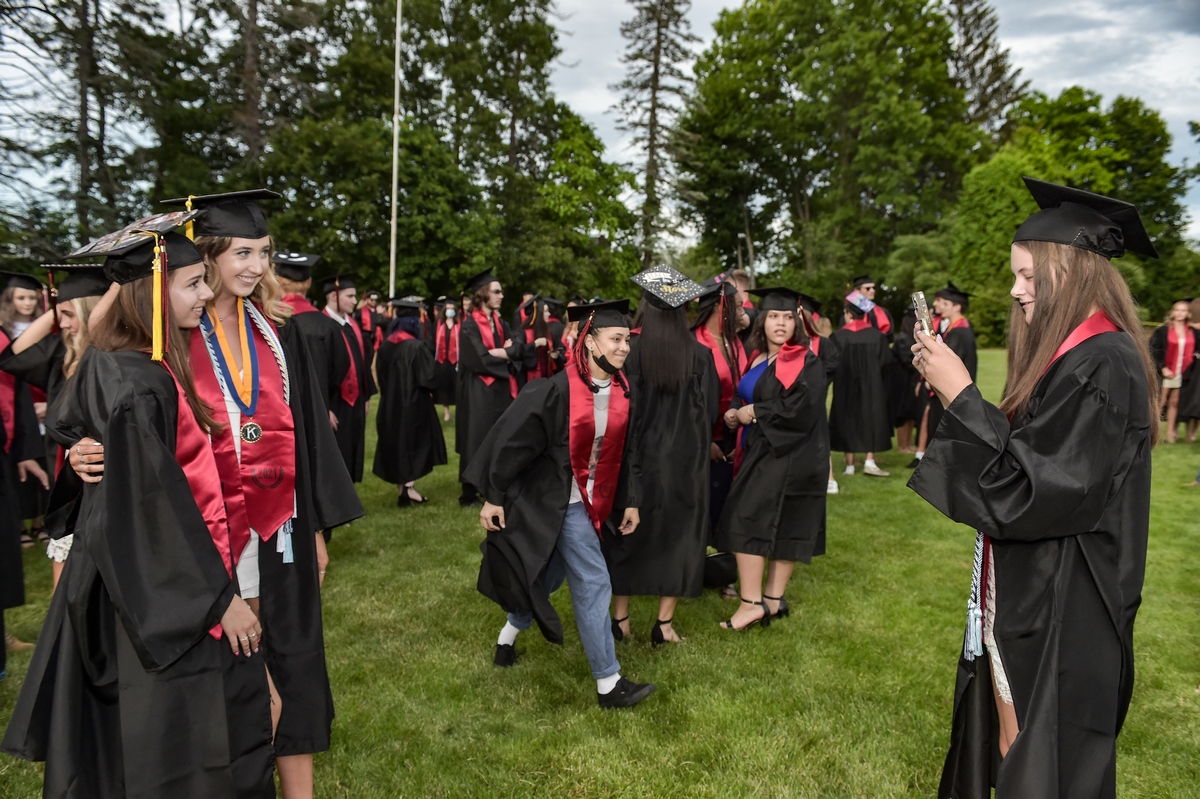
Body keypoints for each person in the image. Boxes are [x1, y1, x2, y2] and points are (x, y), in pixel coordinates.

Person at [3, 224, 275, 797]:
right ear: (152, 294)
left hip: (122, 581)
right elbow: (152, 506)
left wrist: (79, 447)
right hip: (154, 593)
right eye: (193, 283)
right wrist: (219, 600)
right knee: (173, 746)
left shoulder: (119, 362)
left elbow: (68, 419)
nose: (206, 294)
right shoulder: (139, 381)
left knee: (121, 750)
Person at [909, 178, 1158, 799]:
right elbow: (1031, 461)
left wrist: (960, 394)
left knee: (1037, 754)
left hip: (1066, 594)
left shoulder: (1104, 361)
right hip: (1034, 588)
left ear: (1070, 273)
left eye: (1028, 276)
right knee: (1014, 742)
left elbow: (1037, 488)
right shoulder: (1076, 356)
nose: (1016, 290)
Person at [162, 189, 365, 799]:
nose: (255, 266)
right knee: (243, 677)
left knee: (294, 660)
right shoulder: (172, 337)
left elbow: (305, 433)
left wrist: (318, 529)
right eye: (242, 252)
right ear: (209, 253)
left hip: (281, 528)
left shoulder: (280, 335)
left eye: (263, 252)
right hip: (208, 530)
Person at [465, 299, 654, 708]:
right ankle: (609, 684)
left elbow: (629, 451)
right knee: (593, 580)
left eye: (627, 339)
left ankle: (507, 638)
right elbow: (511, 445)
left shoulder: (624, 389)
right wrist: (493, 496)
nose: (624, 347)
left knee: (545, 579)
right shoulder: (554, 391)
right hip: (552, 501)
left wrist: (632, 501)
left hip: (592, 500)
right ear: (590, 343)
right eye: (616, 339)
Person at [606, 268, 716, 645]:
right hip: (687, 462)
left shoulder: (629, 354)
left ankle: (620, 621)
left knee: (627, 537)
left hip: (635, 459)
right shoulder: (701, 356)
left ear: (645, 310)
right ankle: (663, 624)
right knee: (679, 538)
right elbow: (712, 411)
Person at [716, 287, 830, 630]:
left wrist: (754, 412)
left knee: (748, 518)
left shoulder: (804, 362)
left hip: (792, 456)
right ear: (762, 320)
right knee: (759, 519)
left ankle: (753, 604)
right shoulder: (757, 357)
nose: (780, 323)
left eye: (787, 317)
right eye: (774, 317)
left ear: (797, 322)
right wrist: (736, 411)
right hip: (765, 451)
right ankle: (772, 601)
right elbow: (746, 392)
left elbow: (799, 410)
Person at [0, 268, 112, 590]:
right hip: (66, 471)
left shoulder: (116, 357)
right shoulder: (63, 354)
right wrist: (56, 308)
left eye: (68, 315)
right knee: (65, 573)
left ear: (89, 311)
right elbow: (13, 354)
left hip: (100, 474)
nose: (61, 323)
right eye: (58, 316)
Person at [456, 270, 523, 506]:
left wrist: (502, 353)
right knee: (476, 437)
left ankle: (491, 486)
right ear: (483, 294)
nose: (501, 296)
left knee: (498, 437)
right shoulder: (468, 326)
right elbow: (479, 360)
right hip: (478, 390)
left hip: (501, 388)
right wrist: (503, 354)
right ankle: (468, 493)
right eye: (496, 291)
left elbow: (517, 349)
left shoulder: (501, 323)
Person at [373, 298, 447, 506]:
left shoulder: (387, 345)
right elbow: (429, 379)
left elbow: (380, 375)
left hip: (390, 405)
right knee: (415, 445)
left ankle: (403, 490)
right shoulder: (415, 347)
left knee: (397, 446)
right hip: (414, 405)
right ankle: (407, 489)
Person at [274, 251, 352, 440]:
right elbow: (341, 366)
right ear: (308, 282)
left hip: (280, 411)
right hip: (319, 408)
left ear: (276, 280)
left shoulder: (273, 322)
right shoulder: (327, 325)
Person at [692, 280, 747, 536]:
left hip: (732, 437)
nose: (742, 310)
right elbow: (690, 402)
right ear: (720, 307)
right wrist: (705, 442)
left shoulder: (734, 342)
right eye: (737, 306)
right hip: (702, 441)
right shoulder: (694, 343)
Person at [0, 271, 50, 547]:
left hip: (42, 407)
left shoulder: (44, 331)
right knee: (18, 471)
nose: (28, 303)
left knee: (42, 466)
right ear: (10, 299)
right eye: (21, 297)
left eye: (32, 298)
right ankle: (19, 525)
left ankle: (41, 523)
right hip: (15, 409)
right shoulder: (3, 331)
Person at [828, 291, 892, 477]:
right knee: (870, 418)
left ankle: (849, 466)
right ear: (865, 314)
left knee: (847, 420)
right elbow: (885, 362)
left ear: (847, 313)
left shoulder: (838, 336)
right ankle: (869, 461)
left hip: (845, 385)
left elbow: (832, 363)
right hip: (872, 385)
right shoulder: (876, 336)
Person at [320, 273, 373, 483]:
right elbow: (317, 370)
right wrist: (324, 406)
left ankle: (348, 495)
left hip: (355, 401)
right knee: (335, 452)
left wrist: (367, 396)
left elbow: (363, 363)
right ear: (334, 295)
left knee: (352, 445)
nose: (354, 301)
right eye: (350, 296)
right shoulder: (321, 326)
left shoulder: (352, 325)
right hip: (334, 402)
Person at [922, 282, 978, 447]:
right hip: (954, 389)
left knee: (943, 430)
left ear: (957, 307)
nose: (941, 307)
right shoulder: (956, 327)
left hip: (950, 390)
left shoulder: (960, 331)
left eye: (946, 304)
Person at [1149, 300, 1197, 443]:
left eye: (1183, 310)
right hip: (1165, 371)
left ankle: (1170, 434)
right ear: (1173, 312)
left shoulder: (1191, 331)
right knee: (1160, 402)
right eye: (1177, 310)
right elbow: (1153, 350)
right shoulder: (1163, 330)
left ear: (1188, 313)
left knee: (1174, 403)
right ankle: (1152, 432)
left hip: (1182, 372)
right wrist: (1163, 368)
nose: (1180, 313)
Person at [890, 305, 927, 454]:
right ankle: (902, 446)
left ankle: (907, 444)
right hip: (901, 382)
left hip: (911, 381)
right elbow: (908, 361)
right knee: (902, 414)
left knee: (911, 413)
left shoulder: (908, 338)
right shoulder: (903, 339)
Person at [517, 295, 564, 386]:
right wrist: (534, 344)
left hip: (547, 381)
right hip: (527, 384)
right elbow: (517, 353)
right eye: (546, 311)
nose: (549, 314)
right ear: (539, 314)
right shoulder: (523, 333)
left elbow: (562, 353)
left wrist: (556, 356)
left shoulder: (549, 333)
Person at [433, 296, 458, 421]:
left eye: (452, 309)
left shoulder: (459, 325)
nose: (449, 311)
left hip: (455, 361)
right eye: (447, 308)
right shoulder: (439, 324)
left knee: (456, 386)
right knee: (443, 386)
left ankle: (459, 410)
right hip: (442, 360)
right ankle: (446, 411)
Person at [851, 274, 894, 340]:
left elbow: (889, 335)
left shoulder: (881, 311)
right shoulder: (850, 311)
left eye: (873, 288)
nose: (872, 290)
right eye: (868, 288)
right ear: (857, 290)